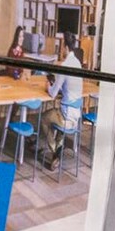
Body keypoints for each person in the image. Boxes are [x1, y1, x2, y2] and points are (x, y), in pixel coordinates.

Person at [39, 34, 84, 171]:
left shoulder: (65, 65)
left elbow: (52, 94)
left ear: (65, 47)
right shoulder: (78, 64)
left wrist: (49, 86)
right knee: (58, 118)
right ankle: (57, 151)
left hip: (66, 116)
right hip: (76, 117)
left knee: (45, 118)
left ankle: (54, 151)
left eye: (62, 48)